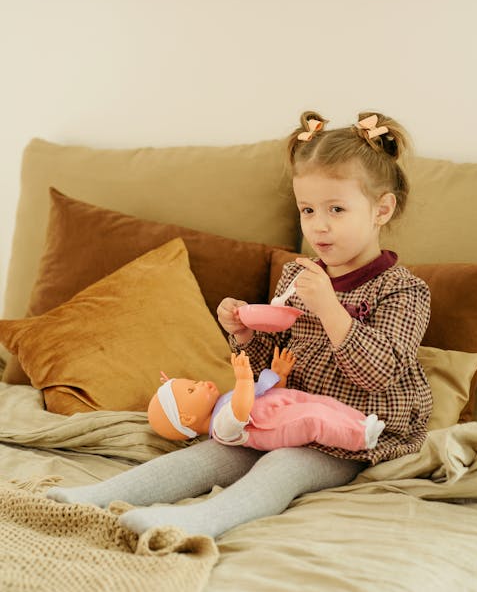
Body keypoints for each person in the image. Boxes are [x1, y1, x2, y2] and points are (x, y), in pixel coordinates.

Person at [47, 109, 432, 540]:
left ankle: (199, 522)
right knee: (214, 453)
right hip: (285, 414)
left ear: (381, 209)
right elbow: (264, 370)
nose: (318, 226)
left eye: (336, 209)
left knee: (282, 466)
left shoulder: (402, 291)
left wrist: (330, 308)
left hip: (356, 430)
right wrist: (246, 335)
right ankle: (98, 495)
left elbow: (378, 374)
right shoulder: (296, 277)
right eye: (307, 209)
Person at [148, 348, 385, 451]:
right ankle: (360, 437)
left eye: (194, 382)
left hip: (283, 403)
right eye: (192, 390)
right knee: (313, 418)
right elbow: (242, 411)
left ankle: (362, 423)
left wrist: (279, 376)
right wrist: (243, 379)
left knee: (321, 403)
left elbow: (264, 396)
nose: (200, 383)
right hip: (277, 425)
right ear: (187, 418)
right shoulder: (221, 428)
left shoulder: (223, 402)